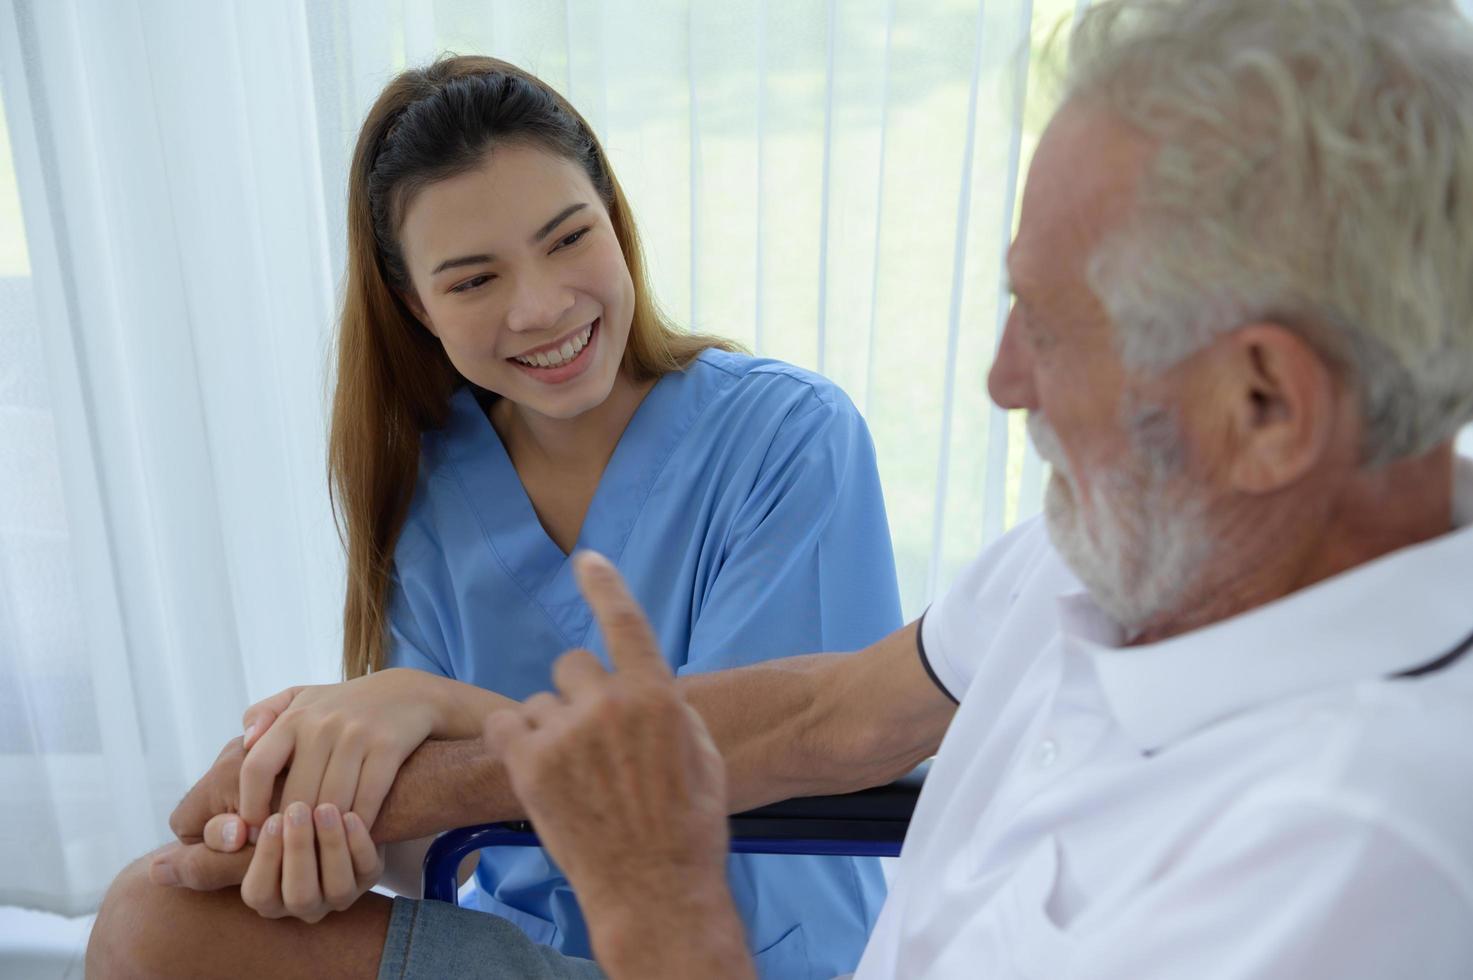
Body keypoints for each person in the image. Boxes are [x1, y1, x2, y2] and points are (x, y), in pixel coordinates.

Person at [90, 0, 1473, 976]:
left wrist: (652, 896)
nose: (998, 380)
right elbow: (823, 712)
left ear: (1264, 406)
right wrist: (348, 795)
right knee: (160, 920)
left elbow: (706, 831)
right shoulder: (1093, 550)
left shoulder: (1362, 858)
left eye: (1045, 328)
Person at [85, 55, 899, 979]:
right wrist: (321, 834)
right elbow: (436, 842)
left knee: (149, 928)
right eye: (473, 281)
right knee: (165, 912)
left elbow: (743, 757)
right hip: (532, 952)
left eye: (567, 239)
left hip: (736, 959)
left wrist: (438, 704)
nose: (542, 306)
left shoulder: (787, 439)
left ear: (614, 217)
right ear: (416, 307)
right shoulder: (432, 486)